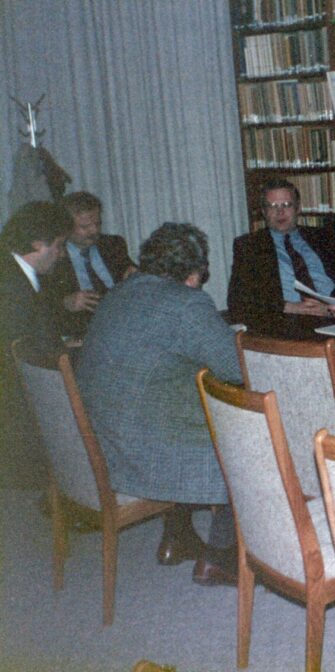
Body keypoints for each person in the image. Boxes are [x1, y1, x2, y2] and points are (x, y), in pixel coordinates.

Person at [75, 222, 243, 586]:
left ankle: (176, 538)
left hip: (103, 445)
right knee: (247, 432)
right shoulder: (186, 302)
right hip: (149, 454)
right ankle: (220, 557)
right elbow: (236, 367)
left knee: (174, 399)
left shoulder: (119, 293)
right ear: (193, 273)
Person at [0, 201, 72, 487]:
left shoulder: (14, 273)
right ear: (38, 244)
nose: (62, 254)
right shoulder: (13, 287)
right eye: (59, 245)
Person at [227, 178, 335, 324]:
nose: (280, 212)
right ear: (264, 212)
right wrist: (288, 307)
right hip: (289, 320)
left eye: (287, 205)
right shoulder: (249, 246)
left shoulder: (322, 237)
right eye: (272, 206)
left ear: (298, 208)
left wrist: (333, 308)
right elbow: (238, 302)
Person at [41, 191, 137, 339]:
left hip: (123, 325)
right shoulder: (53, 257)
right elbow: (40, 307)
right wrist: (65, 304)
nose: (94, 231)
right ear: (65, 228)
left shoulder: (113, 244)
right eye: (85, 227)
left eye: (98, 224)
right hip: (82, 333)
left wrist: (136, 276)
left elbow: (133, 273)